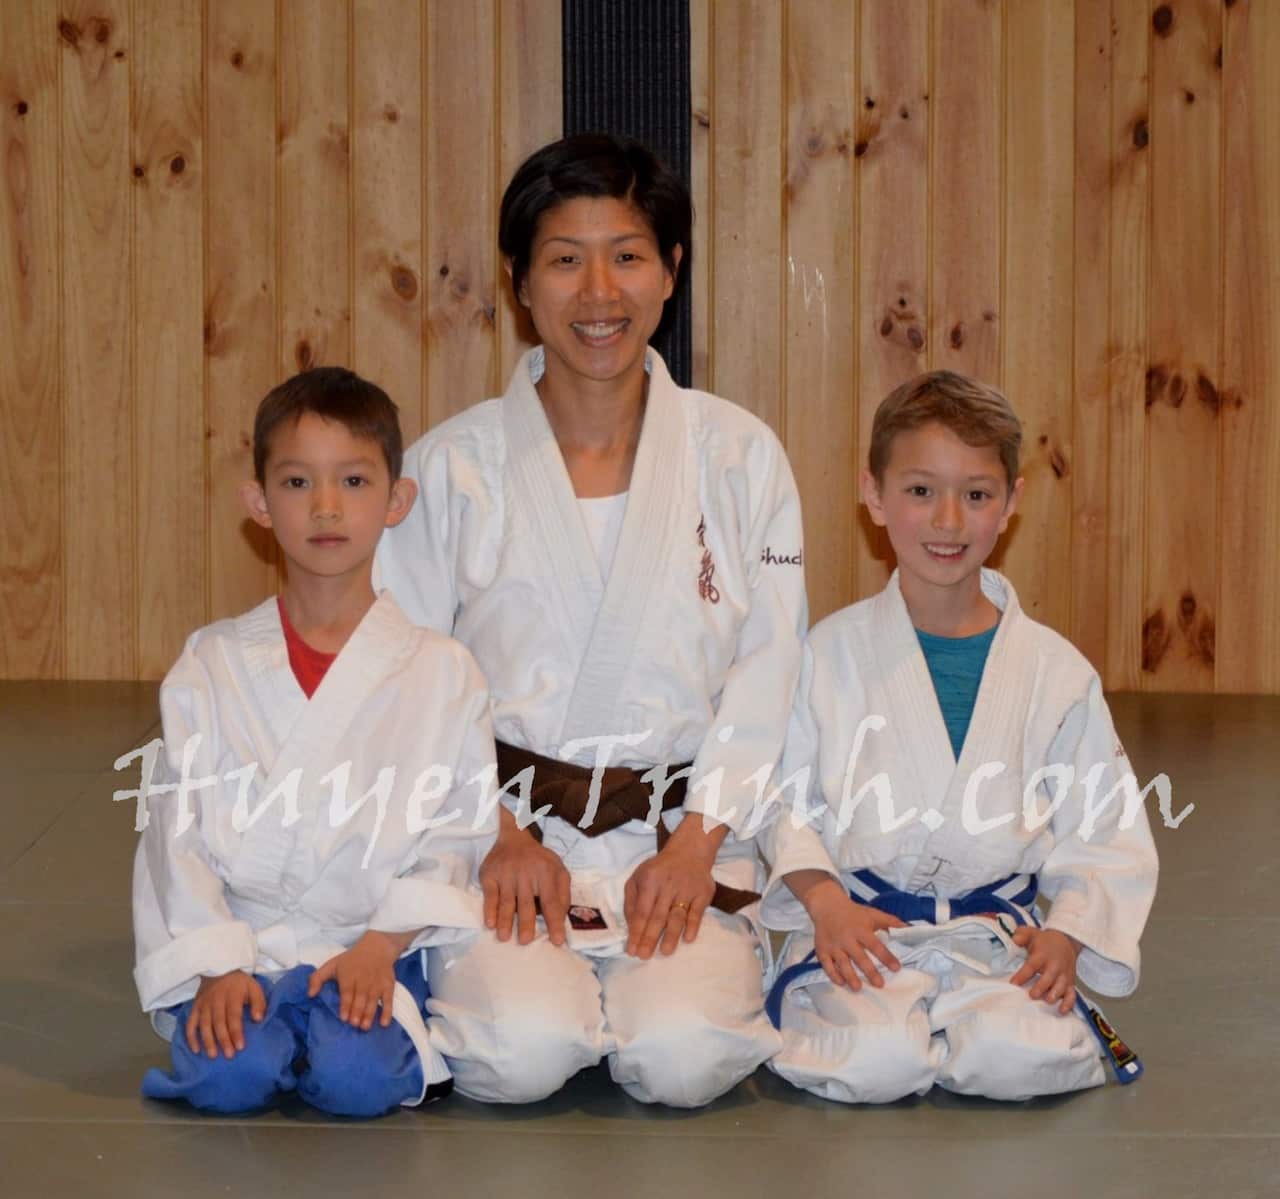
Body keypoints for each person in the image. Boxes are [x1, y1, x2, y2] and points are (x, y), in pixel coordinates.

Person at [376, 133, 807, 1107]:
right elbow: (405, 676)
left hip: (676, 834)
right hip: (506, 839)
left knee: (685, 1057)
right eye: (564, 260)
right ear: (520, 282)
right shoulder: (453, 467)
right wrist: (490, 831)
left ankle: (674, 960)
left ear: (670, 271)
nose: (598, 292)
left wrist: (699, 841)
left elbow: (769, 667)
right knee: (517, 1055)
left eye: (627, 255)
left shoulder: (739, 458)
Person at [761, 370, 1158, 1103]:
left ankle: (972, 1021)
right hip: (863, 929)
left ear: (1009, 505)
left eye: (976, 495)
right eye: (920, 490)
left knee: (1018, 1060)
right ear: (873, 495)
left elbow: (1105, 824)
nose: (949, 519)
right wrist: (825, 905)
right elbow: (781, 798)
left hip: (992, 936)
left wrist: (1065, 933)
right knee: (870, 1063)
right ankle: (905, 1024)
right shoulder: (827, 654)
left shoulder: (1053, 671)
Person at [131, 368, 497, 1116]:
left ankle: (343, 1023)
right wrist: (218, 963)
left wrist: (382, 944)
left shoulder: (443, 669)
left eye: (355, 480)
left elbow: (458, 830)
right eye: (298, 482)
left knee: (358, 1083)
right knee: (225, 1080)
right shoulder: (212, 663)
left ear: (397, 501)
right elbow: (178, 831)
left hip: (366, 947)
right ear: (259, 503)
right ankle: (253, 1012)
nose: (326, 507)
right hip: (247, 946)